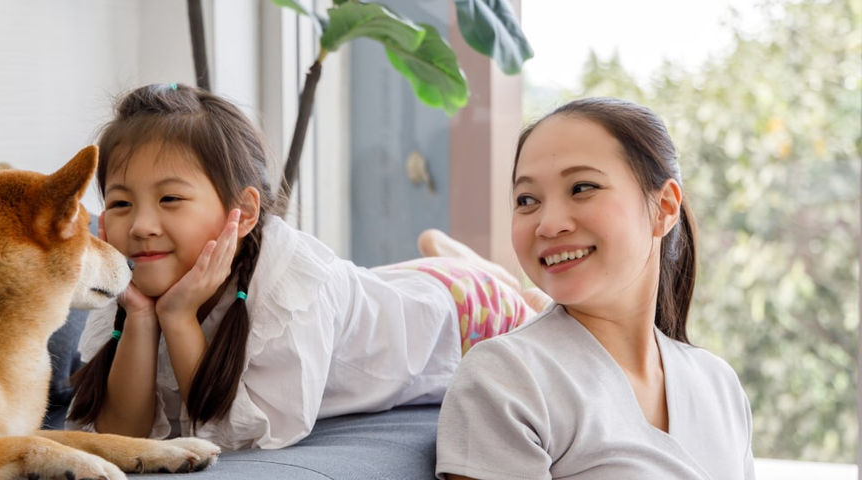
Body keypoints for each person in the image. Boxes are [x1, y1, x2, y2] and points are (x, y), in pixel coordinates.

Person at [435, 97, 825, 480]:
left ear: (663, 207)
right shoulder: (509, 375)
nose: (548, 222)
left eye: (581, 188)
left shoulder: (718, 386)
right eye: (527, 200)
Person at [67, 83, 535, 451]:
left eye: (170, 198)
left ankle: (484, 275)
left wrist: (178, 316)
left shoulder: (288, 283)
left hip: (465, 313)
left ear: (243, 213)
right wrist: (142, 316)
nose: (141, 226)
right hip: (387, 290)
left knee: (527, 309)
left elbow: (239, 436)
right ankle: (444, 255)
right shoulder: (129, 281)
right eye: (121, 203)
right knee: (391, 284)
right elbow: (120, 438)